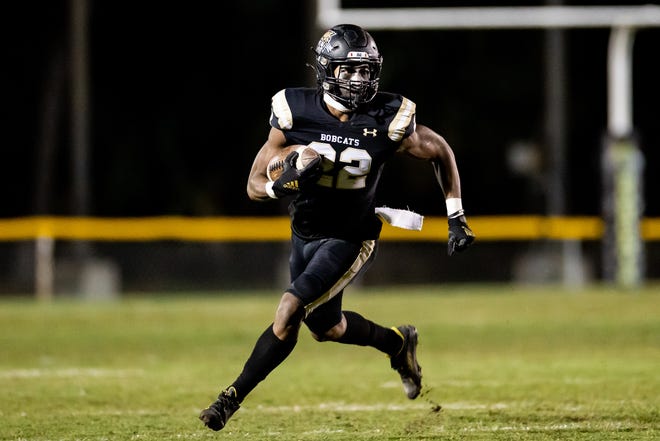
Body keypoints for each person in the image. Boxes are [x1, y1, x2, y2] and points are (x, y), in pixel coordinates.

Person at [199, 23, 475, 432]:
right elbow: (255, 185)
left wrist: (456, 216)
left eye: (366, 71)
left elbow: (439, 150)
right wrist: (282, 185)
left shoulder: (387, 116)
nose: (359, 79)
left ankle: (228, 400)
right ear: (328, 69)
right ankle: (398, 344)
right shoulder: (295, 110)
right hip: (305, 233)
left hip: (351, 235)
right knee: (326, 327)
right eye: (349, 70)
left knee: (289, 310)